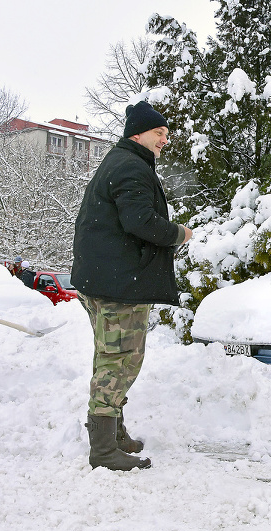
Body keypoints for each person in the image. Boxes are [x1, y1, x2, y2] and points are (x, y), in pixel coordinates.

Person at [72, 100, 192, 471]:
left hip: (103, 281)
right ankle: (104, 450)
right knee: (121, 361)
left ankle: (113, 433)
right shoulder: (130, 166)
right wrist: (178, 234)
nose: (164, 140)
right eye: (159, 133)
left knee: (110, 358)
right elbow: (139, 221)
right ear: (137, 133)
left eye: (167, 135)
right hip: (118, 285)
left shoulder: (120, 162)